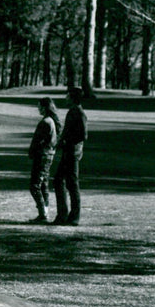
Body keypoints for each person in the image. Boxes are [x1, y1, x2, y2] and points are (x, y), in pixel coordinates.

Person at [52, 87, 88, 226]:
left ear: (73, 98)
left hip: (72, 153)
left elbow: (83, 135)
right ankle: (63, 215)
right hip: (69, 152)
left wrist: (67, 141)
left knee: (71, 184)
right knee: (59, 181)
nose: (65, 98)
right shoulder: (73, 112)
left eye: (67, 96)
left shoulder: (79, 113)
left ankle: (73, 217)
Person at [27, 97, 61, 223]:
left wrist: (32, 152)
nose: (38, 109)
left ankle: (43, 214)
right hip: (47, 155)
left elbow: (38, 141)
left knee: (35, 185)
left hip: (42, 156)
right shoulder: (51, 121)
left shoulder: (46, 122)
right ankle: (44, 212)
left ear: (45, 107)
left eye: (39, 106)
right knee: (43, 185)